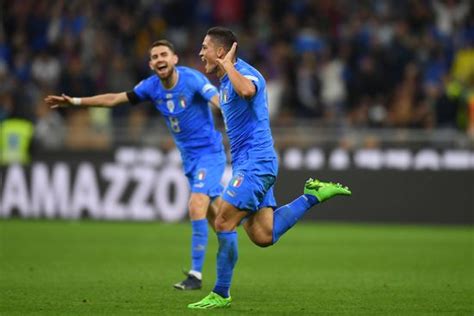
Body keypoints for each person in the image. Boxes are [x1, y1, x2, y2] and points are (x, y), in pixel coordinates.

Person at [188, 27, 352, 309]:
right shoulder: (224, 83)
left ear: (220, 51)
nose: (201, 52)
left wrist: (228, 64)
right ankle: (312, 195)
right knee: (263, 235)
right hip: (248, 163)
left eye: (205, 47)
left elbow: (248, 90)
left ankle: (221, 293)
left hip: (256, 164)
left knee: (223, 221)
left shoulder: (244, 74)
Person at [45, 40, 226, 291]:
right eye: (154, 56)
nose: (160, 59)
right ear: (151, 64)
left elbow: (217, 100)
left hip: (211, 153)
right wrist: (75, 102)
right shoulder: (151, 87)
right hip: (190, 160)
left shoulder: (193, 79)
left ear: (175, 59)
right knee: (220, 222)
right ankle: (242, 233)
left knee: (196, 204)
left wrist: (233, 115)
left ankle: (195, 275)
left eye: (164, 54)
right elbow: (113, 99)